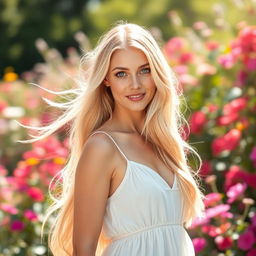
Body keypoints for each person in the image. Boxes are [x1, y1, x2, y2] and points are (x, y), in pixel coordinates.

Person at [18, 21, 205, 256]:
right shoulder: (102, 147)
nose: (135, 84)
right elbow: (84, 250)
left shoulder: (163, 143)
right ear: (106, 79)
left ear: (157, 73)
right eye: (121, 74)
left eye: (144, 70)